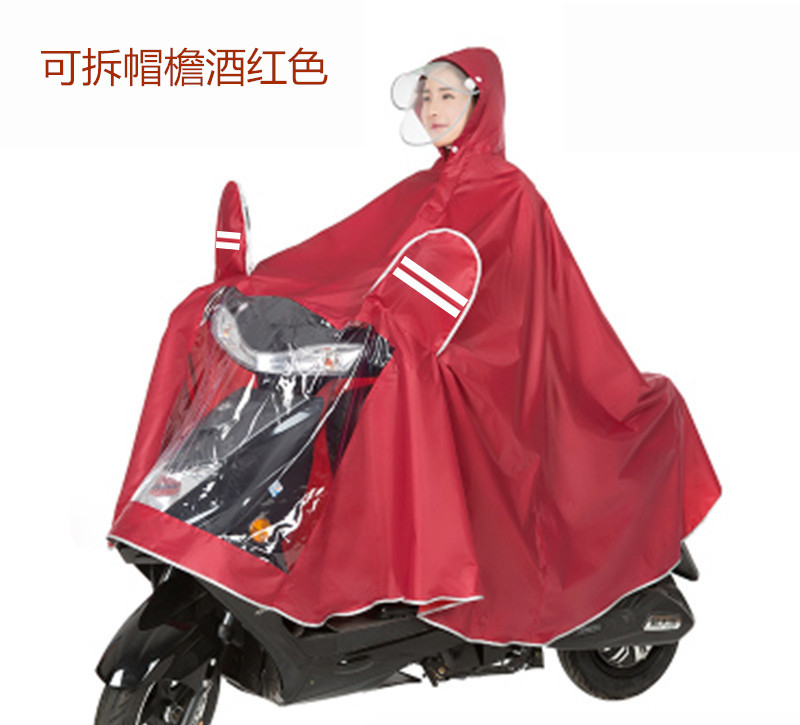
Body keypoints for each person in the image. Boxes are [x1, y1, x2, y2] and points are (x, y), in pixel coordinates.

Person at [111, 48, 720, 646]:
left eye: (447, 95)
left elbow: (521, 311)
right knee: (321, 388)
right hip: (405, 344)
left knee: (390, 391)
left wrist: (425, 335)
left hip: (486, 369)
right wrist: (261, 287)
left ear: (482, 104)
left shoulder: (512, 194)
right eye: (426, 96)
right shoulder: (423, 187)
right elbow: (347, 257)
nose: (432, 108)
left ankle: (393, 586)